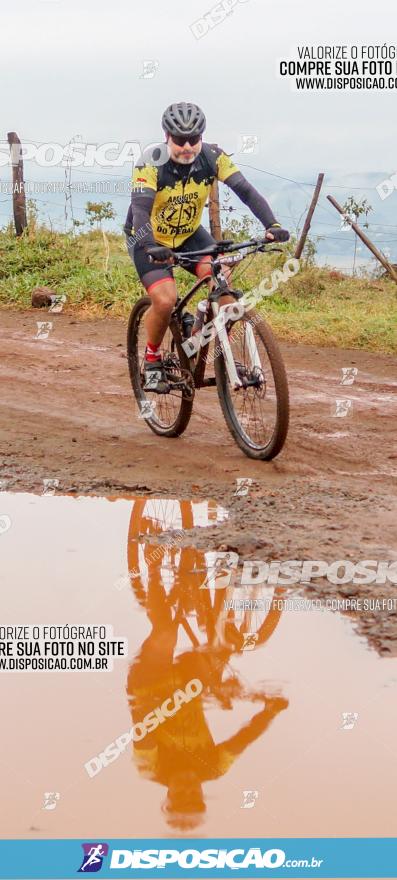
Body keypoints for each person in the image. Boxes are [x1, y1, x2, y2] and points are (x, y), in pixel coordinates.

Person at [124, 101, 289, 392]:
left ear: (202, 136)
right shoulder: (150, 162)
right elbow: (140, 210)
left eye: (194, 139)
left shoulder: (214, 157)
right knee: (164, 300)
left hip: (189, 235)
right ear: (167, 136)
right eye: (179, 140)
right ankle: (152, 359)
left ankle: (208, 346)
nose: (187, 146)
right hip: (148, 237)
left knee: (225, 291)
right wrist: (150, 244)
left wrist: (272, 225)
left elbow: (246, 191)